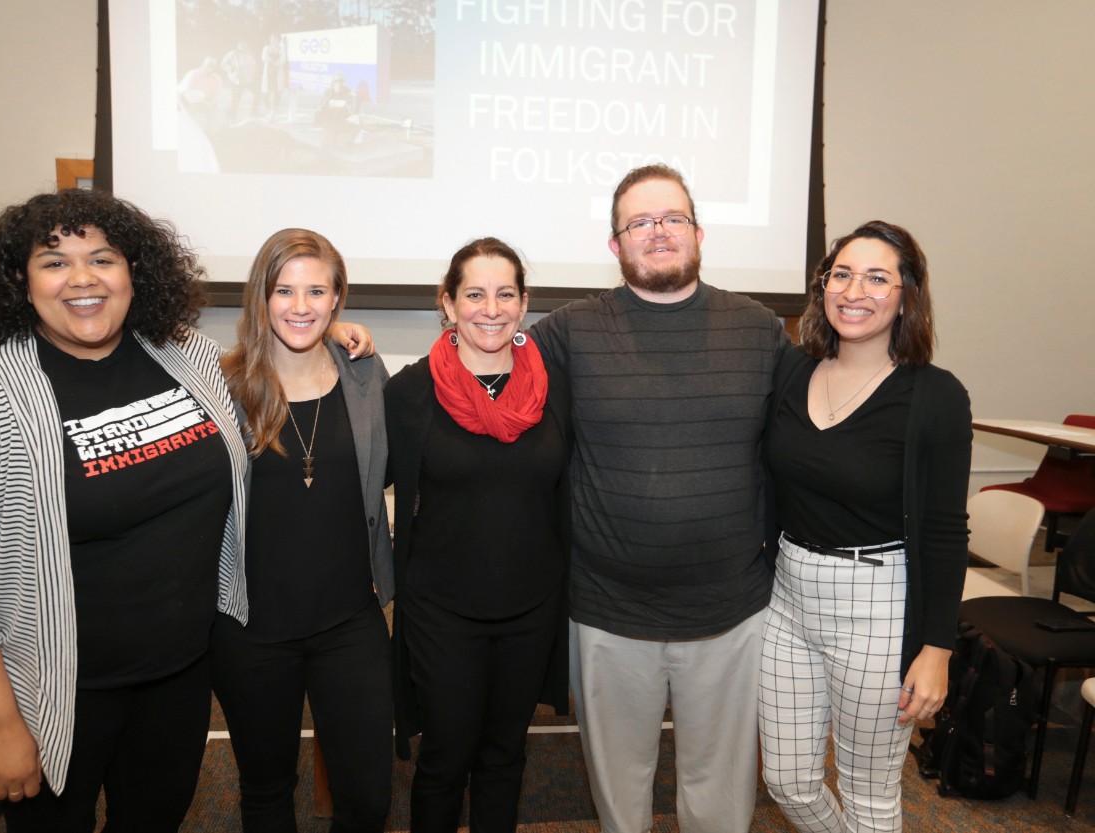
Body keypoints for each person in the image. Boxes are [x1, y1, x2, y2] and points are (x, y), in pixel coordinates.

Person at [0, 188, 250, 832]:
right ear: (20, 282)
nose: (83, 278)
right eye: (54, 261)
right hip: (55, 690)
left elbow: (264, 383)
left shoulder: (185, 357)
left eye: (104, 258)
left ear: (134, 272)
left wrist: (329, 327)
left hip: (178, 673)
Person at [528, 164, 789, 833]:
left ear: (699, 233)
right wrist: (354, 346)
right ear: (615, 245)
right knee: (620, 786)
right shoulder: (569, 331)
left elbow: (808, 437)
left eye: (672, 218)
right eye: (639, 222)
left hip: (730, 608)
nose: (659, 232)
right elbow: (487, 365)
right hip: (608, 608)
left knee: (722, 788)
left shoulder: (760, 329)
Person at [758, 221, 971, 832]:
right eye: (842, 274)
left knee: (869, 795)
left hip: (878, 601)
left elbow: (944, 533)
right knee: (788, 783)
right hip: (788, 597)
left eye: (878, 277)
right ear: (823, 287)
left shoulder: (936, 397)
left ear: (907, 294)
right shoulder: (792, 372)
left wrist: (936, 650)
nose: (855, 291)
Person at [211, 228, 393, 833]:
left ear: (338, 298)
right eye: (284, 290)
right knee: (267, 792)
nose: (300, 305)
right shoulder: (223, 386)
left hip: (350, 622)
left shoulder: (367, 376)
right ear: (260, 297)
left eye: (317, 290)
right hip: (252, 631)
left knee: (367, 795)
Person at [386, 238, 571, 833]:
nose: (490, 309)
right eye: (474, 294)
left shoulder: (555, 389)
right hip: (442, 611)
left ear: (523, 305)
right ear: (448, 304)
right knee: (445, 758)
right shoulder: (409, 393)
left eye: (505, 294)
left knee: (506, 754)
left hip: (531, 606)